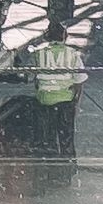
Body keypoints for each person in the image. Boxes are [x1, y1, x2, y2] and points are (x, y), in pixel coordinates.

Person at [29, 26, 85, 195]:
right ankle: (65, 174)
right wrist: (76, 102)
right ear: (65, 37)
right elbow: (79, 80)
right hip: (65, 102)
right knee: (66, 138)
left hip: (44, 102)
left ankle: (49, 173)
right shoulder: (73, 54)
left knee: (48, 137)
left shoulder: (39, 54)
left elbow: (35, 78)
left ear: (46, 36)